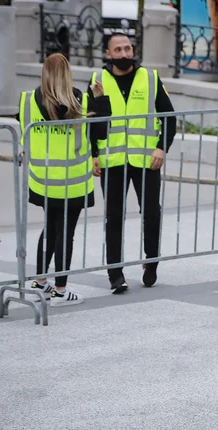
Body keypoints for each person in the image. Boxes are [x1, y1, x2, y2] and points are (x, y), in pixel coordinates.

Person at [17, 53, 111, 307]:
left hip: (44, 180)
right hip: (72, 181)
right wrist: (101, 100)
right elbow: (101, 131)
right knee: (65, 234)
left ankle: (39, 282)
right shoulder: (77, 99)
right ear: (67, 73)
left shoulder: (27, 100)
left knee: (50, 229)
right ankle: (60, 289)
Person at [90, 33, 176, 294]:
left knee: (151, 212)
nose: (125, 53)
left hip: (146, 159)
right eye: (119, 50)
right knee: (113, 217)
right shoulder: (98, 80)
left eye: (128, 48)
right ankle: (115, 274)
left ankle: (151, 263)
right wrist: (94, 153)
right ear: (108, 54)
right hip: (112, 161)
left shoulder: (149, 78)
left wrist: (162, 147)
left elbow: (169, 116)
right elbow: (91, 122)